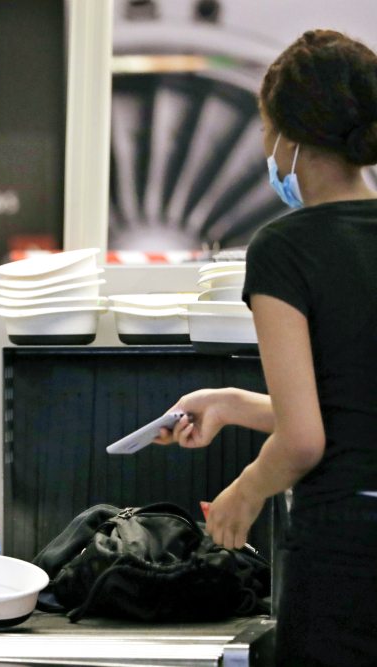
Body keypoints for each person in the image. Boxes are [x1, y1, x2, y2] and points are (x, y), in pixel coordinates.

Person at [153, 30, 377, 667]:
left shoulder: (286, 247)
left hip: (346, 553)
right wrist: (229, 402)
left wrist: (243, 494)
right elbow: (353, 404)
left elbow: (306, 439)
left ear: (290, 138)